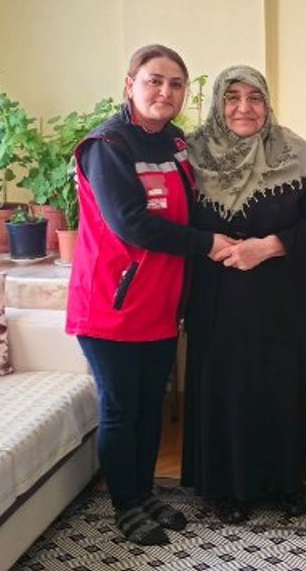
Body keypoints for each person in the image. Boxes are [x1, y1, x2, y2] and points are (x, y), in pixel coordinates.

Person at [66, 44, 224, 546]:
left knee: (151, 406)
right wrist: (208, 244)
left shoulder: (175, 143)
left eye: (176, 84)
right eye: (154, 80)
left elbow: (190, 207)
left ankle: (144, 491)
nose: (165, 91)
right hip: (110, 306)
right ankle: (125, 504)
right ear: (130, 84)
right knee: (121, 408)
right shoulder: (106, 146)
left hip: (159, 304)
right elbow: (131, 224)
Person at [181, 65, 306, 524]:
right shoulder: (189, 156)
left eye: (254, 97)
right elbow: (174, 223)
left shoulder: (296, 154)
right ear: (218, 104)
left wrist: (267, 247)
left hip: (286, 300)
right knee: (226, 394)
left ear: (267, 102)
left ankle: (284, 483)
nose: (244, 108)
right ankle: (227, 489)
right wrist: (210, 244)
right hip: (218, 302)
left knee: (283, 393)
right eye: (232, 98)